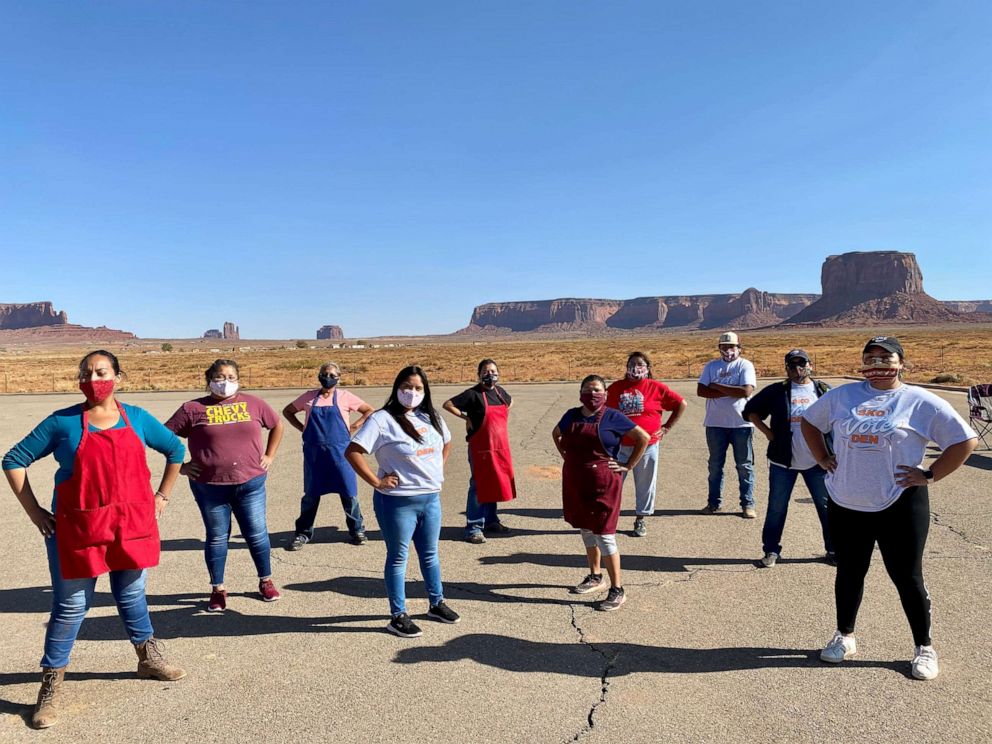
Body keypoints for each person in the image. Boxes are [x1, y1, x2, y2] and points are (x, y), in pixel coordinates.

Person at [2, 350, 186, 730]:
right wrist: (35, 512)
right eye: (86, 373)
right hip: (78, 530)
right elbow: (14, 460)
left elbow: (176, 450)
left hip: (131, 526)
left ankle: (147, 658)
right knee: (71, 606)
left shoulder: (136, 418)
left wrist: (162, 496)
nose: (93, 378)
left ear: (118, 376)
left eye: (101, 371)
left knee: (132, 595)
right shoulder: (63, 422)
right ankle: (50, 685)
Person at [801, 336, 977, 680]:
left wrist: (929, 474)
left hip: (900, 502)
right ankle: (845, 636)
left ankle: (924, 647)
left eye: (886, 358)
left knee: (907, 577)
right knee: (849, 572)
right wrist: (822, 457)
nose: (878, 365)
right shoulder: (841, 396)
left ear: (901, 362)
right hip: (846, 501)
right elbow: (809, 422)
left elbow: (964, 440)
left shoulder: (919, 401)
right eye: (871, 358)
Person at [345, 365, 459, 638]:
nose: (412, 392)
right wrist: (376, 481)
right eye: (407, 387)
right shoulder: (382, 420)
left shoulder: (431, 416)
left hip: (430, 498)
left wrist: (436, 470)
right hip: (397, 502)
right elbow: (353, 451)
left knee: (430, 554)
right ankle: (398, 615)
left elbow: (446, 442)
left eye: (418, 388)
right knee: (398, 557)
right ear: (397, 388)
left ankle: (436, 602)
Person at [165, 359, 284, 612]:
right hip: (210, 487)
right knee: (217, 537)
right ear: (209, 379)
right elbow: (164, 435)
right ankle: (217, 589)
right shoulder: (192, 408)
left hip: (250, 482)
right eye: (220, 377)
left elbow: (276, 425)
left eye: (231, 377)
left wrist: (270, 455)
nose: (225, 382)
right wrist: (183, 466)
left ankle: (266, 580)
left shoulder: (254, 404)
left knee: (257, 533)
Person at [552, 375, 650, 611]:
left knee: (604, 534)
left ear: (605, 394)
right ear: (580, 393)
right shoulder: (571, 415)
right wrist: (566, 456)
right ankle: (595, 576)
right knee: (586, 529)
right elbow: (556, 434)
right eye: (587, 389)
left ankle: (618, 589)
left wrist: (628, 465)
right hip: (577, 480)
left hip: (604, 481)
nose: (592, 393)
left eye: (596, 389)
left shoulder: (613, 416)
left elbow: (643, 438)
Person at [743, 349, 834, 568]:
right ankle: (771, 550)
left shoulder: (824, 391)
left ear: (810, 365)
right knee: (777, 507)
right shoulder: (777, 391)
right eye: (791, 366)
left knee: (827, 506)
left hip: (818, 461)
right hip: (783, 461)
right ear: (786, 368)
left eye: (801, 364)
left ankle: (834, 549)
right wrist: (768, 433)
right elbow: (751, 411)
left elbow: (840, 420)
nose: (797, 369)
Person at [282, 362, 374, 549]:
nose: (328, 377)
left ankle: (357, 529)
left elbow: (369, 410)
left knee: (349, 493)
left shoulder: (345, 397)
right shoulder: (309, 397)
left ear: (339, 377)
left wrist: (355, 426)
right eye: (324, 373)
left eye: (332, 374)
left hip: (341, 453)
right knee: (311, 494)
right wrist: (303, 428)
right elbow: (288, 411)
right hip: (314, 454)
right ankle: (303, 533)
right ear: (319, 375)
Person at [606, 351, 686, 537]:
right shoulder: (616, 388)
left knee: (645, 484)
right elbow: (603, 411)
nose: (636, 367)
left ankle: (641, 518)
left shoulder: (655, 387)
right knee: (612, 483)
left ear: (648, 368)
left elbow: (681, 404)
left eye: (640, 364)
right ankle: (609, 518)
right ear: (626, 367)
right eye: (632, 363)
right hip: (619, 446)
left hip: (647, 446)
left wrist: (666, 427)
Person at [442, 358, 516, 544]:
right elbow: (448, 404)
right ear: (479, 374)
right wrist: (466, 418)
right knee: (478, 485)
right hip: (481, 448)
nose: (490, 374)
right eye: (485, 371)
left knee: (494, 482)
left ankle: (491, 521)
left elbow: (511, 402)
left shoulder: (500, 393)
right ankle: (473, 527)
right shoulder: (473, 394)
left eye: (493, 371)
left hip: (499, 448)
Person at [696, 331, 757, 517]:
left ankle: (748, 504)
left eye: (731, 347)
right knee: (715, 466)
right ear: (719, 348)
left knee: (744, 466)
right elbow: (701, 391)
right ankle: (713, 503)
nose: (727, 350)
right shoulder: (711, 366)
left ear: (739, 347)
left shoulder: (745, 365)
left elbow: (746, 391)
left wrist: (716, 386)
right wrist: (731, 390)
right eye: (724, 347)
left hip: (741, 424)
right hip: (715, 425)